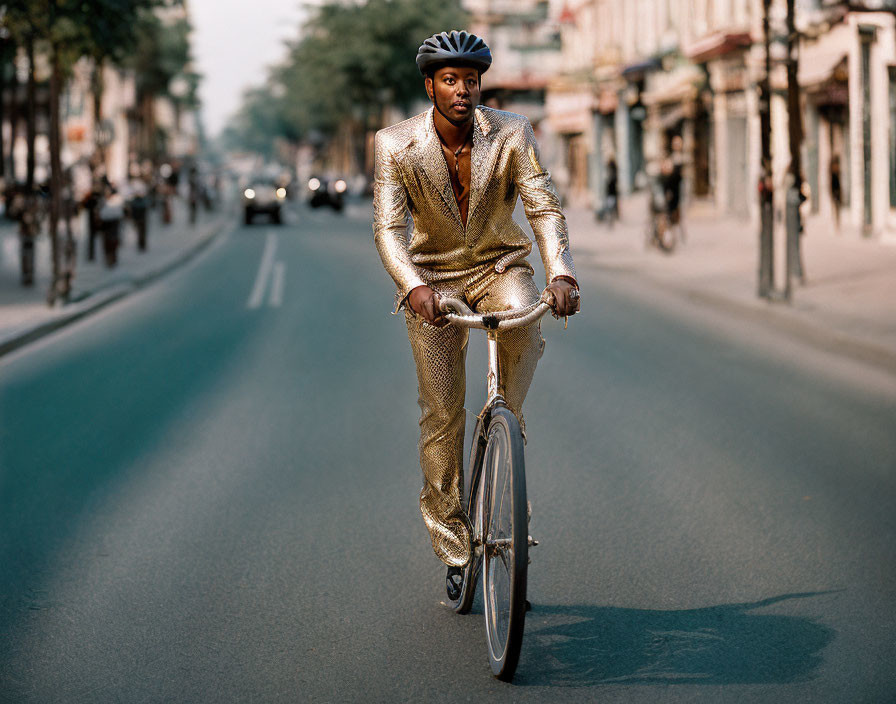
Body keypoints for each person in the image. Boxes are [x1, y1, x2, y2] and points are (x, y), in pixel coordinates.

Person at [373, 30, 580, 596]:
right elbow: (388, 229)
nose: (461, 90)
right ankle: (454, 543)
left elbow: (541, 203)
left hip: (499, 268)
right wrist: (413, 285)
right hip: (433, 287)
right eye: (449, 80)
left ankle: (504, 433)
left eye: (470, 80)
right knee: (442, 416)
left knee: (524, 313)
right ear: (430, 86)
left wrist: (559, 269)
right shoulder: (395, 144)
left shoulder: (512, 132)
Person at [829, 155, 842, 233]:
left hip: (837, 193)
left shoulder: (836, 173)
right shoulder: (834, 174)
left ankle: (837, 225)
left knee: (837, 209)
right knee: (835, 209)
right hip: (835, 193)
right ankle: (835, 225)